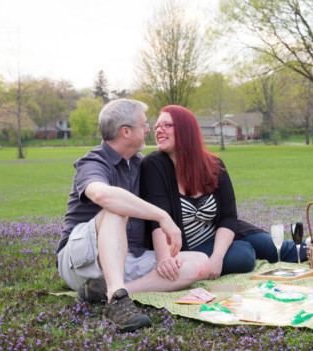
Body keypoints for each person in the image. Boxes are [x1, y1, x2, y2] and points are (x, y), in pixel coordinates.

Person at [56, 99, 210, 332]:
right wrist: (162, 216)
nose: (149, 130)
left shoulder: (141, 164)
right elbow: (103, 196)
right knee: (116, 209)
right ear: (126, 131)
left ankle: (110, 290)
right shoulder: (93, 162)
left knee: (200, 263)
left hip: (126, 259)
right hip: (82, 261)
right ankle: (117, 300)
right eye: (144, 125)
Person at [139, 105, 306, 280]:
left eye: (166, 125)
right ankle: (235, 249)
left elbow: (228, 216)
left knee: (273, 246)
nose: (158, 131)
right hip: (191, 249)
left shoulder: (213, 165)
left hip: (223, 235)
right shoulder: (154, 165)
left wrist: (218, 257)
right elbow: (158, 220)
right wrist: (165, 260)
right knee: (245, 255)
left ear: (185, 130)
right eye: (157, 126)